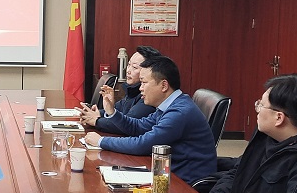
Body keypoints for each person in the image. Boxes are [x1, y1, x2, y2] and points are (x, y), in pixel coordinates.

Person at [84, 56, 216, 183]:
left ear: (164, 85)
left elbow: (143, 145)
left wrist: (101, 141)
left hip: (186, 185)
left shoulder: (179, 112)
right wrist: (112, 112)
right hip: (167, 173)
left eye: (144, 82)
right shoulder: (170, 105)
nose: (140, 88)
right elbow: (138, 127)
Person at [78, 45, 160, 133]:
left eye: (134, 67)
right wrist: (95, 113)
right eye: (128, 65)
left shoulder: (148, 96)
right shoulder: (132, 90)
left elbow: (127, 125)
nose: (128, 71)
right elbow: (117, 112)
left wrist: (96, 121)